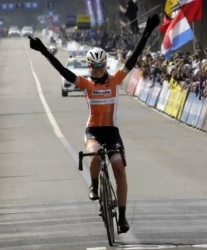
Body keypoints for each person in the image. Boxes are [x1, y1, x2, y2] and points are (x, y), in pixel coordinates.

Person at [28, 14, 160, 233]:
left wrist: (147, 32)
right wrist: (43, 51)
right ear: (90, 67)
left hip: (112, 132)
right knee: (96, 154)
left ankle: (123, 216)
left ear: (105, 65)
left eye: (101, 67)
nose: (98, 70)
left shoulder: (115, 79)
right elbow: (62, 71)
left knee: (120, 169)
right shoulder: (86, 84)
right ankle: (95, 185)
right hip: (94, 131)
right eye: (95, 67)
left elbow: (133, 57)